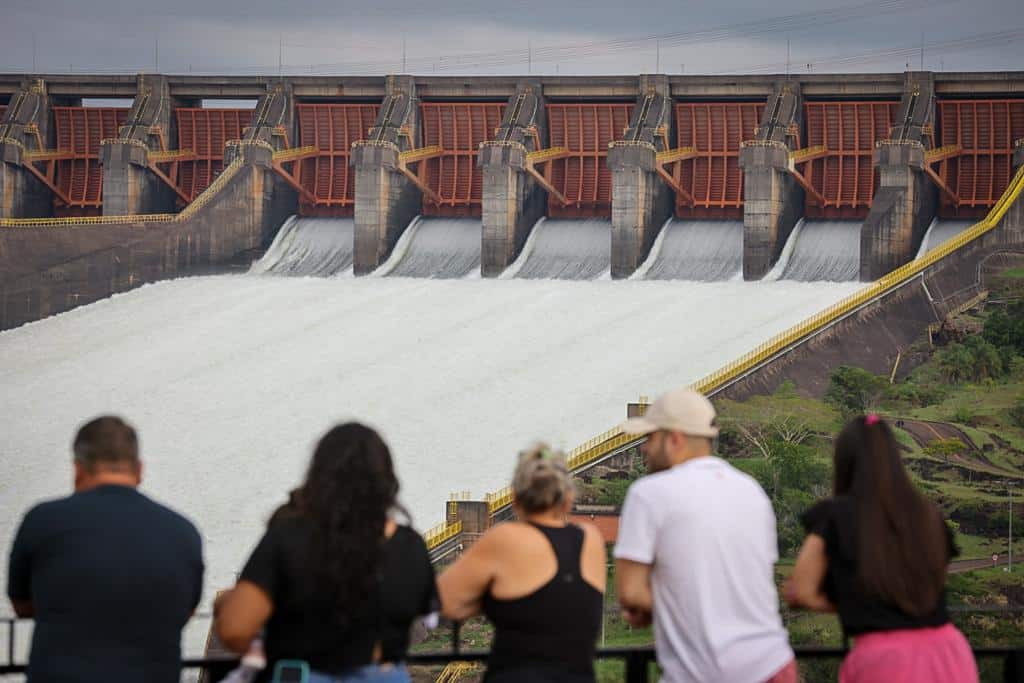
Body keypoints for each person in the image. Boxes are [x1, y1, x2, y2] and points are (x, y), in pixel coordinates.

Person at [214, 422, 437, 683]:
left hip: (306, 674)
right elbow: (422, 620)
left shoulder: (288, 538)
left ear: (318, 475)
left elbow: (235, 631)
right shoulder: (410, 546)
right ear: (387, 479)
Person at [614, 388, 796, 683]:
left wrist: (655, 608)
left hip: (702, 671)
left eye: (650, 438)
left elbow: (631, 594)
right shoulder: (751, 490)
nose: (644, 448)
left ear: (674, 439)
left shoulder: (648, 493)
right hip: (772, 665)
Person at [7, 415, 204, 682]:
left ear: (77, 469)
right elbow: (185, 611)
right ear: (139, 469)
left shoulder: (42, 520)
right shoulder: (184, 532)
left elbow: (22, 605)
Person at [785, 414, 978, 682]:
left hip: (884, 660)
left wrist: (863, 605)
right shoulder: (926, 514)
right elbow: (936, 581)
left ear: (843, 462)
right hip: (948, 652)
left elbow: (802, 591)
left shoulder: (835, 516)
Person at [438, 445, 605, 682]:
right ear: (567, 499)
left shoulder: (505, 538)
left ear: (515, 499)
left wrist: (492, 599)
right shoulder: (591, 541)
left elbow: (444, 600)